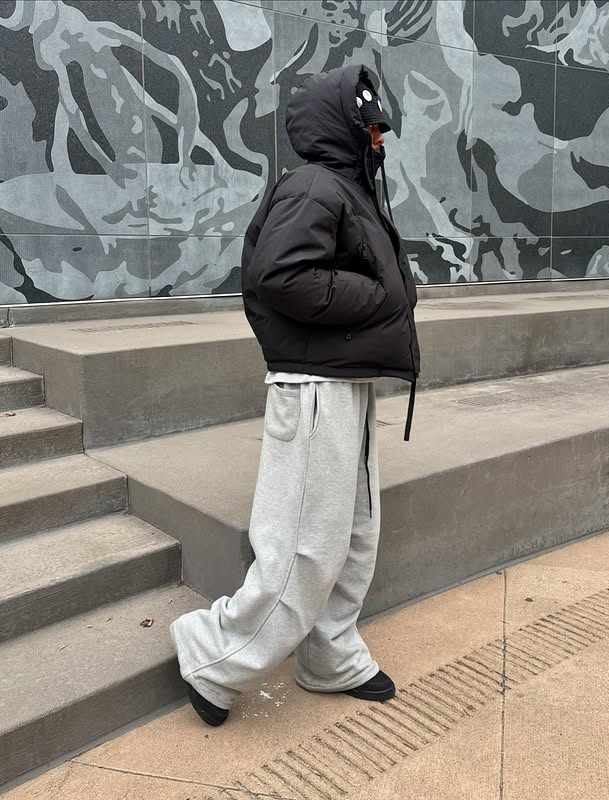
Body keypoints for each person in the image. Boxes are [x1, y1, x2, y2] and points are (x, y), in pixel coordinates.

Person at [170, 64, 421, 727]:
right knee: (303, 546)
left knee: (356, 534)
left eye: (380, 128)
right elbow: (283, 276)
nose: (379, 139)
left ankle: (329, 654)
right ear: (344, 126)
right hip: (315, 386)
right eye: (371, 127)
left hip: (346, 380)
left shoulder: (345, 190)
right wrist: (380, 295)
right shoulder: (314, 185)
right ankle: (214, 655)